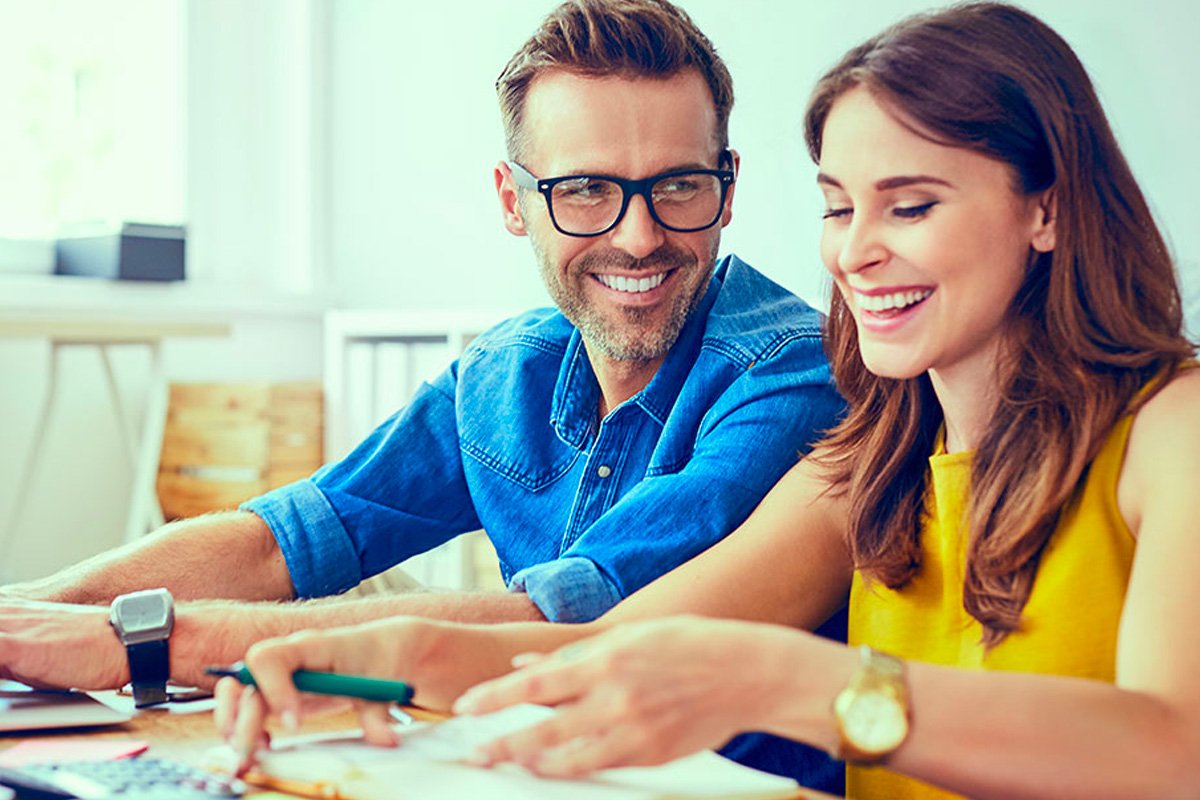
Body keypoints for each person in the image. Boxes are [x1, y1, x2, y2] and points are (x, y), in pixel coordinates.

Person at [215, 3, 1200, 798]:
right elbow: (606, 644)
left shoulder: (1173, 431)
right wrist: (358, 652)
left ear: (1049, 206)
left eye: (910, 204)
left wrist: (796, 682)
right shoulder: (869, 463)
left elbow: (1174, 749)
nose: (856, 251)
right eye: (837, 205)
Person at [0, 0, 844, 790]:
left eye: (677, 185)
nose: (638, 234)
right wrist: (31, 611)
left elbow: (567, 623)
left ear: (726, 186)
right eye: (584, 189)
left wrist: (136, 642)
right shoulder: (507, 372)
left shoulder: (794, 373)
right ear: (515, 201)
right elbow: (288, 539)